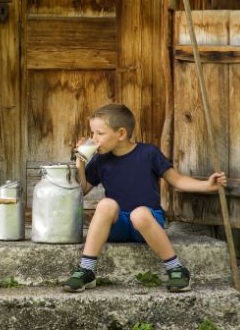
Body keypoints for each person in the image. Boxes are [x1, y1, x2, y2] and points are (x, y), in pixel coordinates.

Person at [62, 103, 227, 293]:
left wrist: (207, 185)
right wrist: (80, 163)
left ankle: (176, 269)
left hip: (147, 223)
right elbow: (80, 191)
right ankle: (86, 269)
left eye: (99, 133)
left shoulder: (148, 153)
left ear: (121, 134)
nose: (93, 139)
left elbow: (178, 180)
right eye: (92, 134)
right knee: (106, 204)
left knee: (139, 214)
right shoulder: (100, 160)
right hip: (119, 225)